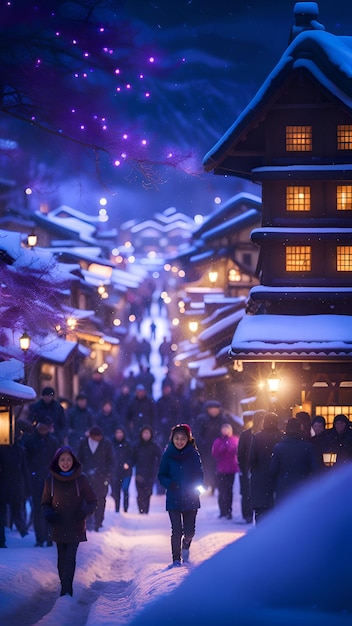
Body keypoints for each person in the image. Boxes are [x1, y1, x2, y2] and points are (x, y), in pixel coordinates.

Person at [41, 446, 97, 597]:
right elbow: (45, 503)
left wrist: (83, 512)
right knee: (61, 559)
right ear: (57, 461)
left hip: (75, 525)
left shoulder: (81, 479)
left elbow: (93, 501)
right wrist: (49, 514)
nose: (65, 462)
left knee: (70, 558)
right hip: (58, 526)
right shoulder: (50, 480)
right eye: (62, 459)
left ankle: (66, 591)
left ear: (73, 461)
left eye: (68, 459)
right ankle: (64, 586)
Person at [158, 423, 203, 568]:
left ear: (188, 439)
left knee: (189, 532)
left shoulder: (194, 454)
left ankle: (186, 544)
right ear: (172, 439)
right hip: (174, 498)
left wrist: (196, 485)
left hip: (191, 498)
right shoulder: (167, 454)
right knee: (176, 531)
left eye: (182, 438)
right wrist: (169, 483)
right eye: (176, 438)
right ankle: (176, 560)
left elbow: (199, 473)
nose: (179, 441)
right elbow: (161, 474)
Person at [22, 417, 59, 546]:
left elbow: (57, 460)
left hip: (49, 478)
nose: (43, 429)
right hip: (36, 478)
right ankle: (40, 537)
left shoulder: (52, 441)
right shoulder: (30, 441)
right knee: (38, 509)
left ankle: (48, 537)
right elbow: (26, 459)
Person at [269, 418, 318, 504]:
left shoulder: (278, 447)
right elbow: (315, 469)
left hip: (283, 487)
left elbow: (273, 470)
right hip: (303, 486)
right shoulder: (308, 447)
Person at [77, 426, 114, 532]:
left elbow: (111, 460)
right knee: (86, 500)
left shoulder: (106, 444)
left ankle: (98, 522)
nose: (99, 438)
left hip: (101, 477)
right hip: (86, 477)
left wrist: (108, 475)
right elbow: (78, 459)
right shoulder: (83, 443)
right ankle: (88, 522)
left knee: (100, 500)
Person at [249, 412, 284, 523]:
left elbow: (251, 459)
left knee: (261, 512)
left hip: (260, 478)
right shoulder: (282, 437)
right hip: (277, 478)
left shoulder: (257, 437)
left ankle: (261, 536)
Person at [237, 410, 265, 524]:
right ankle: (248, 515)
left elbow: (240, 453)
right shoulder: (247, 434)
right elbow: (240, 453)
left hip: (253, 467)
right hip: (250, 467)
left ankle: (250, 514)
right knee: (248, 492)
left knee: (249, 493)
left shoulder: (247, 434)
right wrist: (244, 467)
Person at [211, 423, 239, 520]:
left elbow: (237, 451)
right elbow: (214, 453)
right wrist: (222, 448)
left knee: (229, 491)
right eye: (224, 429)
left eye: (227, 429)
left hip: (230, 469)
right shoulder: (218, 441)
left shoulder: (234, 440)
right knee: (222, 491)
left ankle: (229, 510)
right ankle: (222, 511)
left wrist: (230, 448)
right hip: (221, 469)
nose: (226, 431)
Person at [133, 426, 162, 514]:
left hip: (151, 473)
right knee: (140, 493)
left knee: (148, 493)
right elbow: (132, 458)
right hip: (139, 472)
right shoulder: (137, 446)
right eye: (144, 433)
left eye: (147, 433)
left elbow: (161, 457)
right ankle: (141, 510)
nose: (146, 435)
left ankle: (145, 510)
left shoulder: (154, 446)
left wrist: (158, 466)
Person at [111, 426, 133, 513]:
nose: (119, 435)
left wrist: (128, 463)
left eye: (121, 433)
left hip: (126, 472)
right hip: (115, 471)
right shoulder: (111, 443)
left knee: (125, 490)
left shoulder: (127, 444)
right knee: (116, 491)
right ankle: (117, 508)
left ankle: (125, 508)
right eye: (117, 433)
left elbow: (132, 456)